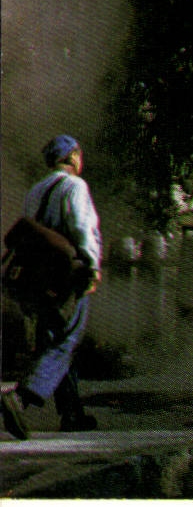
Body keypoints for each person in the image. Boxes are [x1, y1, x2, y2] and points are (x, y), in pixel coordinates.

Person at [2, 135, 102, 439]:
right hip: (66, 274)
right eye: (79, 154)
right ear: (72, 156)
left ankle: (71, 413)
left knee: (54, 339)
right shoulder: (75, 186)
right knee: (66, 339)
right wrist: (92, 265)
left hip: (38, 278)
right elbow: (82, 227)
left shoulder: (36, 190)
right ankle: (20, 397)